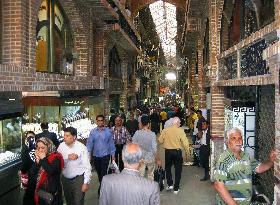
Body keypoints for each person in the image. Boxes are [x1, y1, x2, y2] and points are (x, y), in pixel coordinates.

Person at [213, 127, 276, 205]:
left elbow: (259, 168)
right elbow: (218, 185)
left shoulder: (246, 156)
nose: (238, 141)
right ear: (227, 142)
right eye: (234, 138)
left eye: (240, 138)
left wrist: (271, 161)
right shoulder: (223, 159)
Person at [58, 127, 92, 205]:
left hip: (78, 180)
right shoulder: (61, 146)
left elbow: (87, 166)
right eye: (64, 135)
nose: (64, 138)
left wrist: (86, 182)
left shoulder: (81, 147)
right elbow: (58, 161)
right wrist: (67, 157)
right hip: (65, 179)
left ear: (74, 137)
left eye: (67, 136)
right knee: (69, 201)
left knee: (78, 202)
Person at [158, 117, 190, 194]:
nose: (180, 124)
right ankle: (176, 188)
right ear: (177, 123)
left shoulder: (165, 130)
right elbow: (185, 143)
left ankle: (170, 184)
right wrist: (187, 153)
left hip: (168, 152)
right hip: (177, 152)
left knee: (168, 168)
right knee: (178, 170)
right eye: (179, 123)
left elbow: (160, 140)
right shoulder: (181, 131)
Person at [86, 115, 115, 195]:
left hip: (105, 155)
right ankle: (103, 186)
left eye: (101, 120)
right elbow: (89, 144)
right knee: (99, 174)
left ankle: (102, 190)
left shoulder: (108, 131)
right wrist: (89, 155)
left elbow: (111, 144)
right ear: (96, 121)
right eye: (98, 120)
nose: (100, 122)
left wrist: (113, 156)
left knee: (104, 173)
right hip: (96, 156)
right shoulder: (93, 132)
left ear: (104, 121)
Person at [34, 137, 64, 205]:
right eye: (38, 148)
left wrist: (43, 159)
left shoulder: (56, 157)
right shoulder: (41, 157)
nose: (40, 150)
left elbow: (51, 171)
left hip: (53, 194)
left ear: (49, 146)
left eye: (43, 147)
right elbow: (33, 174)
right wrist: (37, 161)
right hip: (42, 193)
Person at [132, 115, 160, 180]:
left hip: (140, 158)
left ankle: (141, 189)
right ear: (148, 124)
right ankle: (150, 189)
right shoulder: (152, 134)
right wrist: (157, 159)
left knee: (140, 176)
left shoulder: (137, 133)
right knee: (150, 175)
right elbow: (154, 148)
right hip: (150, 158)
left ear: (141, 123)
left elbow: (133, 145)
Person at [20, 131, 37, 205]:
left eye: (32, 138)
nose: (30, 139)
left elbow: (25, 163)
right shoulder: (28, 147)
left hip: (33, 175)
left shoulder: (27, 147)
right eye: (29, 138)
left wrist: (23, 171)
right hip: (31, 175)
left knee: (30, 195)